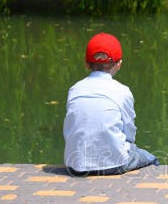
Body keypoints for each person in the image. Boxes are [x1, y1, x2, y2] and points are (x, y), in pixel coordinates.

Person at [63, 32, 158, 175]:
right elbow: (129, 133)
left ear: (86, 64)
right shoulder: (122, 91)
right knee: (149, 157)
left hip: (75, 165)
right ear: (119, 64)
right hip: (113, 164)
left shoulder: (74, 89)